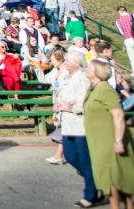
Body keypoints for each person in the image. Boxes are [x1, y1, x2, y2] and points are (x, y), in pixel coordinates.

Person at [84, 59, 134, 209]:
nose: (87, 69)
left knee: (115, 180)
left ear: (97, 71)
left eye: (90, 67)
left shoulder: (105, 89)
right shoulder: (93, 89)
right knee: (111, 180)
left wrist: (118, 140)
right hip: (98, 141)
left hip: (110, 140)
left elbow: (118, 115)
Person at [56, 53, 99, 208]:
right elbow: (60, 95)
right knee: (70, 156)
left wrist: (68, 106)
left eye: (67, 60)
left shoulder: (82, 79)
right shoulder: (65, 76)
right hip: (67, 124)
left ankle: (90, 194)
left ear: (76, 63)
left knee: (85, 160)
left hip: (80, 125)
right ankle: (96, 180)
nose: (65, 62)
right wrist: (58, 104)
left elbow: (81, 103)